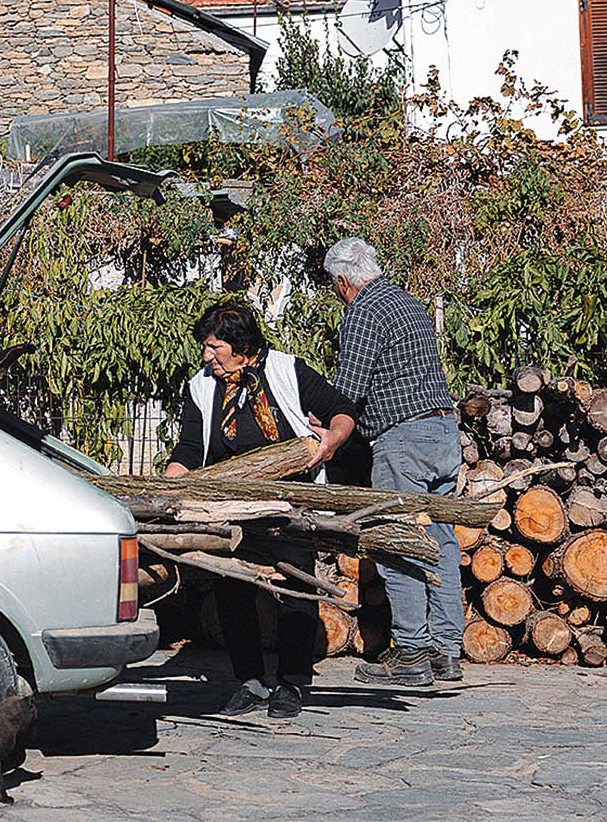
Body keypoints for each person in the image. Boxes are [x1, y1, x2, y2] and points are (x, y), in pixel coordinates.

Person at [166, 301, 356, 720]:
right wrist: (170, 484)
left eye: (215, 347)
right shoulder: (201, 386)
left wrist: (331, 441)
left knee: (296, 587)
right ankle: (249, 680)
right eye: (205, 347)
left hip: (291, 502)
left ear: (241, 346)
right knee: (232, 588)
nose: (207, 356)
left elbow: (341, 410)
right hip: (231, 504)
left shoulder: (287, 371)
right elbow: (191, 447)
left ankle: (292, 682)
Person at [323, 236, 464, 687]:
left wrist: (321, 418)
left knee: (398, 543)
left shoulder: (363, 311)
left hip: (402, 439)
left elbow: (349, 387)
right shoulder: (410, 304)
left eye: (334, 286)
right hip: (444, 431)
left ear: (343, 280)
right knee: (441, 542)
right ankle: (446, 651)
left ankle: (410, 652)